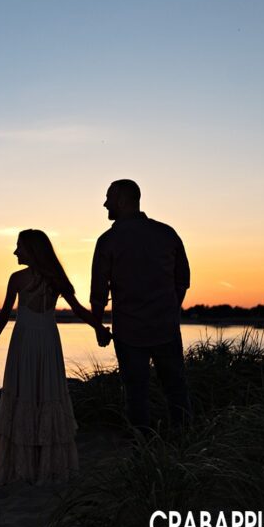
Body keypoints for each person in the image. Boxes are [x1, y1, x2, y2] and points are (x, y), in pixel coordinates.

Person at [0, 230, 110, 486]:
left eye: (19, 247)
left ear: (31, 250)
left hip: (27, 341)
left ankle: (29, 465)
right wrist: (98, 328)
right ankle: (39, 464)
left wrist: (100, 328)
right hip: (44, 340)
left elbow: (5, 316)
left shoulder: (19, 279)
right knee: (40, 393)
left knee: (29, 393)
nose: (15, 252)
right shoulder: (47, 278)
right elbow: (79, 310)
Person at [90, 179, 192, 435]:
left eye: (108, 198)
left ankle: (142, 446)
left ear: (123, 201)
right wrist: (170, 308)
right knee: (176, 388)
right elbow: (183, 281)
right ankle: (183, 439)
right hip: (165, 328)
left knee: (136, 393)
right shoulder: (167, 233)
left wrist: (98, 327)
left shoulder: (108, 240)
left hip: (129, 332)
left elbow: (98, 293)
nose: (104, 204)